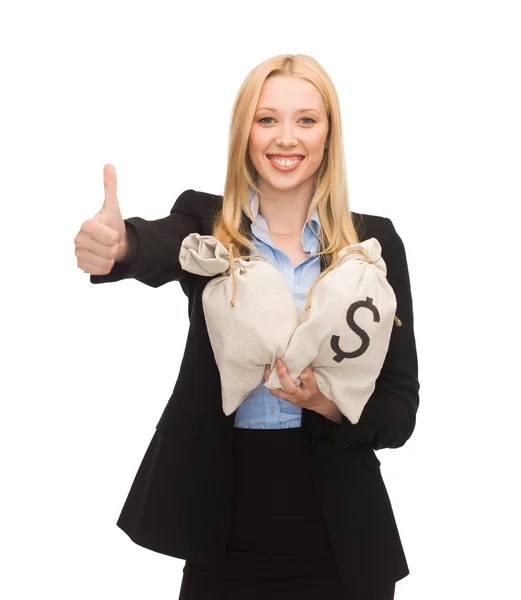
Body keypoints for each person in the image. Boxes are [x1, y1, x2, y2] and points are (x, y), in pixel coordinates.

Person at [74, 53, 419, 600]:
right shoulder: (207, 223)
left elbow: (400, 407)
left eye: (306, 119)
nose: (287, 137)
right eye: (267, 119)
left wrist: (327, 404)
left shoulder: (372, 245)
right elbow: (164, 246)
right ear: (244, 132)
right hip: (224, 530)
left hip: (344, 538)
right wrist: (121, 247)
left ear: (329, 134)